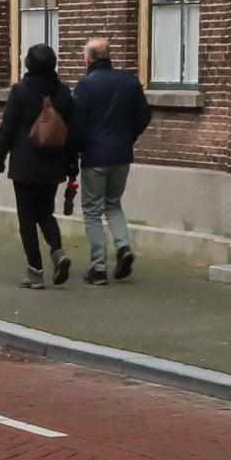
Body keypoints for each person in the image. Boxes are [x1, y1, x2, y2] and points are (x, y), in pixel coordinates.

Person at [0, 44, 78, 288]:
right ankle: (58, 252)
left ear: (28, 64)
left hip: (25, 165)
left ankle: (35, 271)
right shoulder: (63, 93)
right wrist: (72, 165)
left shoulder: (19, 91)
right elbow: (72, 132)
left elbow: (6, 130)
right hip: (54, 165)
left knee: (27, 219)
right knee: (45, 213)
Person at [70, 37, 151, 284]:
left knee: (92, 212)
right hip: (121, 156)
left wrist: (78, 150)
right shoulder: (130, 82)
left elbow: (76, 124)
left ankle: (99, 269)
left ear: (88, 59)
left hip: (95, 158)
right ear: (109, 55)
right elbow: (144, 116)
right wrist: (128, 138)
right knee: (113, 204)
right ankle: (123, 247)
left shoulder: (85, 85)